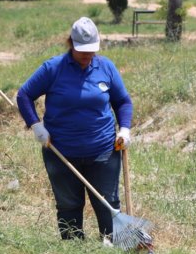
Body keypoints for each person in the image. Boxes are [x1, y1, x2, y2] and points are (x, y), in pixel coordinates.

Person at [15, 17, 133, 241]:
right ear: (71, 43)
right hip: (61, 151)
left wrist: (125, 129)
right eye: (82, 50)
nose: (87, 55)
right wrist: (36, 125)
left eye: (91, 50)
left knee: (108, 202)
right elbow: (24, 95)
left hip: (103, 150)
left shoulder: (106, 67)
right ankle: (73, 249)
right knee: (68, 203)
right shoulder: (53, 68)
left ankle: (113, 245)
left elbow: (123, 101)